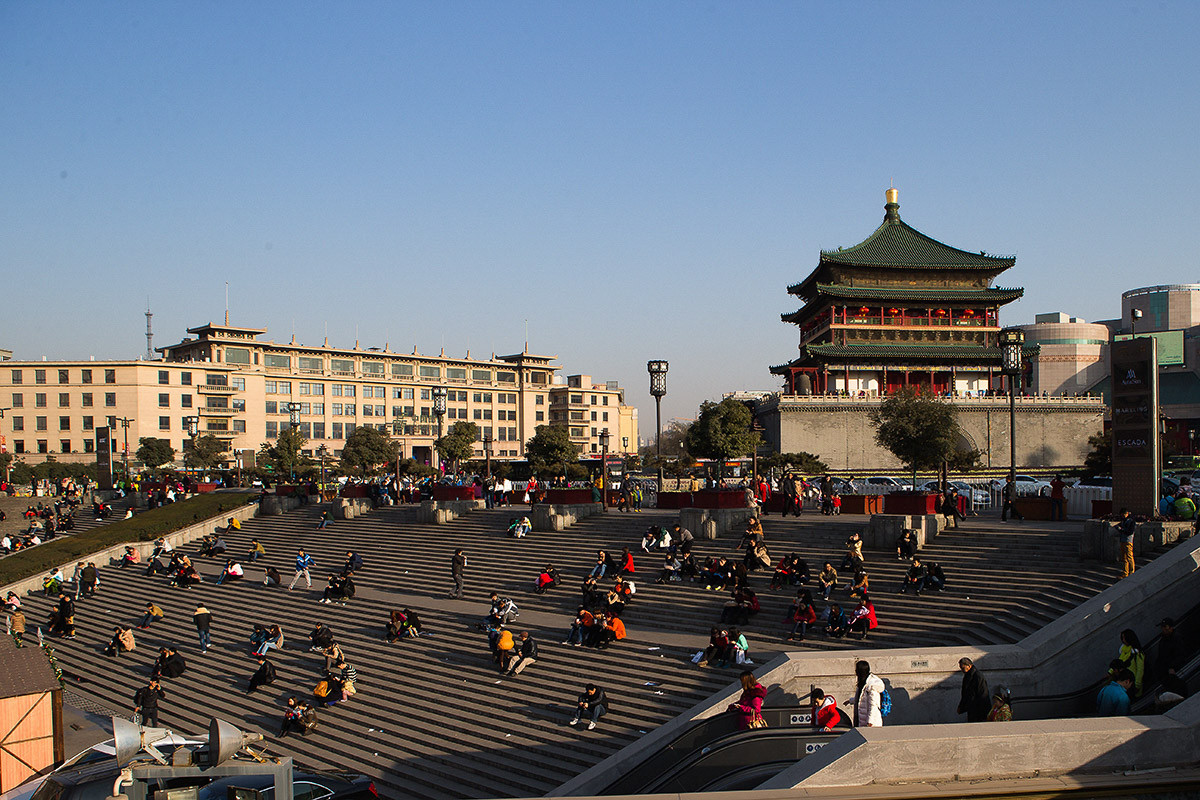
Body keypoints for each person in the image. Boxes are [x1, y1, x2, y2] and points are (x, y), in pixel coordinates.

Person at [1112, 628, 1146, 697]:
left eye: (1124, 638)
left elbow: (1140, 670)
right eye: (1122, 638)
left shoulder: (1137, 653)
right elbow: (1118, 662)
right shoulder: (1124, 652)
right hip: (1125, 683)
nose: (1123, 640)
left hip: (1133, 684)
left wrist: (1137, 685)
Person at [956, 657, 991, 722]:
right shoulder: (968, 675)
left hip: (978, 708)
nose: (962, 670)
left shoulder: (978, 676)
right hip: (972, 707)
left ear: (969, 666)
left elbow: (983, 694)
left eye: (963, 668)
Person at [853, 660, 885, 727]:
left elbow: (873, 705)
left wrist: (870, 722)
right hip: (862, 721)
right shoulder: (863, 683)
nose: (855, 672)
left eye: (857, 670)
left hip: (871, 724)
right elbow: (862, 698)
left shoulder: (871, 686)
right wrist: (851, 700)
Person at [1115, 508, 1136, 578]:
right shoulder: (1123, 521)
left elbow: (1130, 532)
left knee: (1129, 557)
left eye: (1123, 514)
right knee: (1124, 558)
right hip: (1122, 540)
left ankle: (1132, 572)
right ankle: (1125, 573)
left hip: (1128, 541)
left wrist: (1122, 530)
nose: (1122, 516)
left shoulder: (1131, 521)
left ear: (1127, 514)